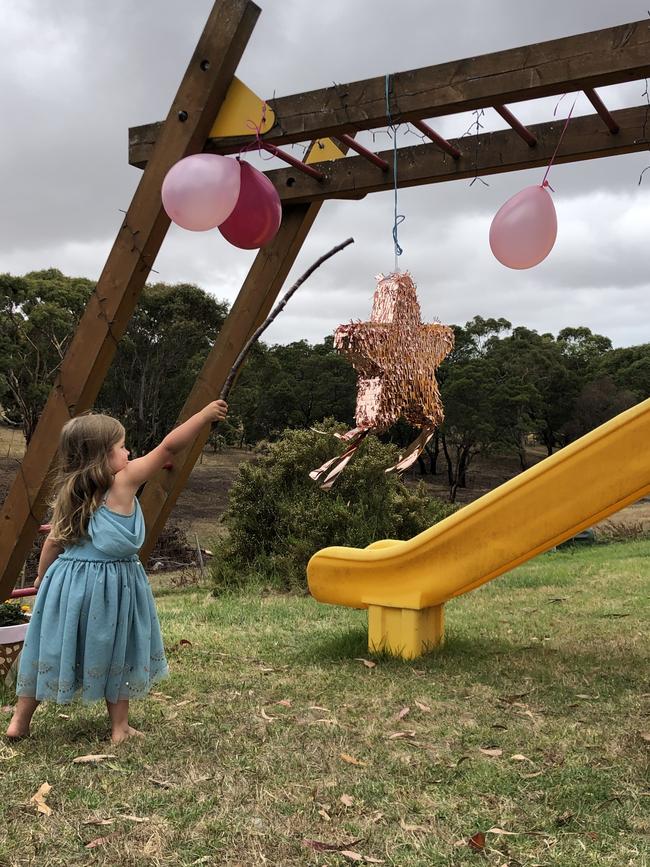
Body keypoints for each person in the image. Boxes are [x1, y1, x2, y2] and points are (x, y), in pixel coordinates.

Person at [6, 399, 228, 744]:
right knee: (116, 651)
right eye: (122, 447)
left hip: (65, 583)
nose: (128, 453)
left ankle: (20, 721)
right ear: (102, 456)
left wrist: (40, 579)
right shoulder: (123, 482)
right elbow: (170, 446)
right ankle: (119, 728)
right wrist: (204, 415)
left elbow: (53, 542)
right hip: (112, 585)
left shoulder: (71, 491)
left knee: (49, 647)